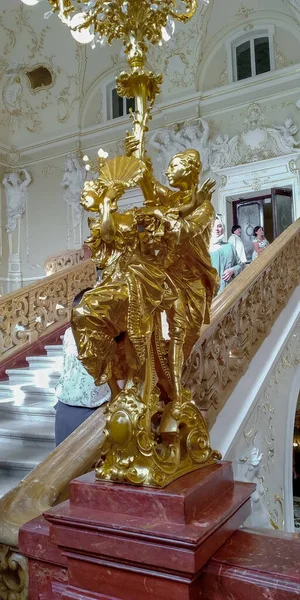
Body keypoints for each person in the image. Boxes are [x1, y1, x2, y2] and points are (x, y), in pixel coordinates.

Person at [55, 288, 110, 446]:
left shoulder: (69, 332)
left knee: (63, 459)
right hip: (88, 406)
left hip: (65, 403)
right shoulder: (100, 336)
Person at [209, 216, 242, 294]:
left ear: (223, 228)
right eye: (212, 225)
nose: (216, 229)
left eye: (219, 226)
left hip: (229, 290)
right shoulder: (203, 248)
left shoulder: (229, 246)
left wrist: (232, 270)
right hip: (210, 293)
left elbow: (239, 265)